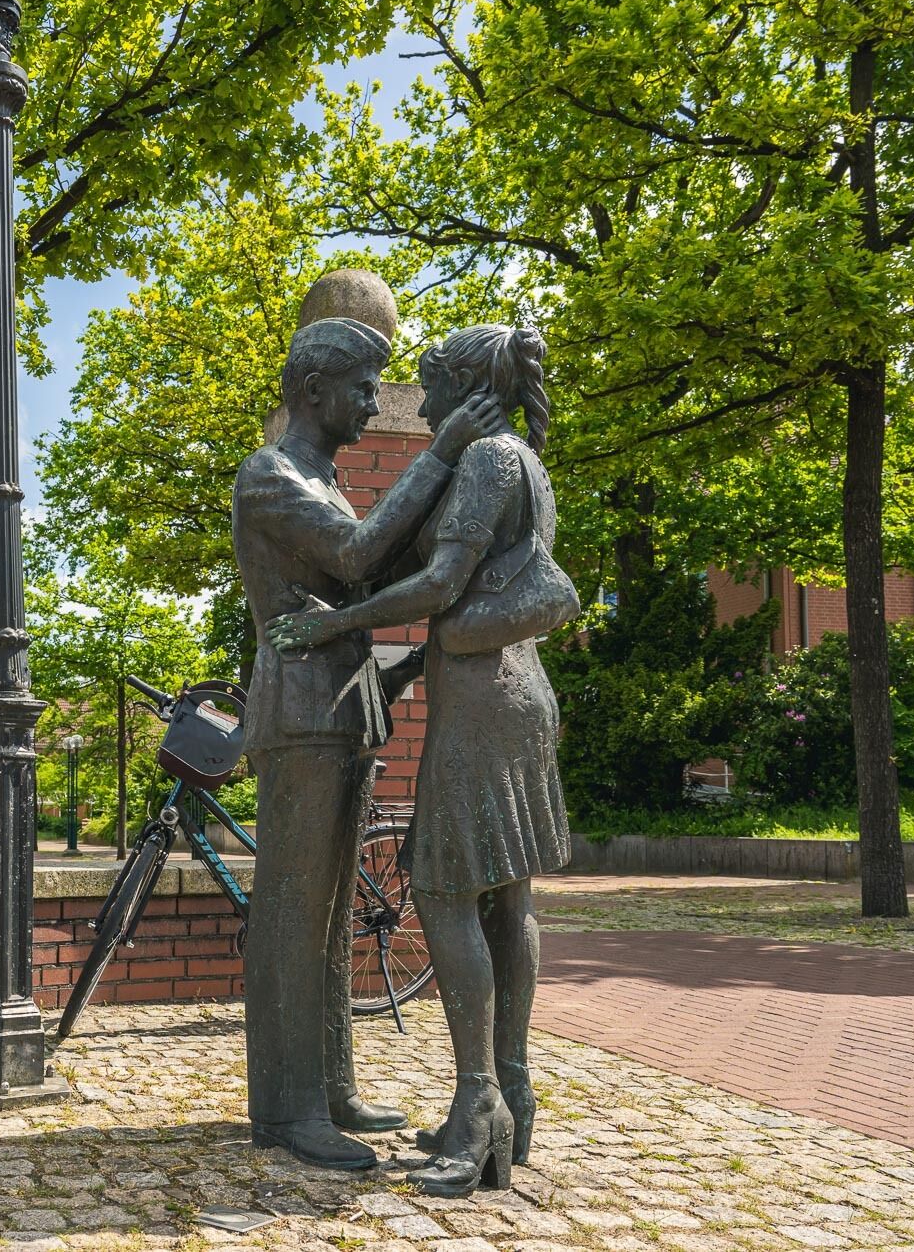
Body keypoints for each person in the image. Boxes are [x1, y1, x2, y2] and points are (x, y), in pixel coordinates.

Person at [267, 324, 572, 1195]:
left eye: (431, 384)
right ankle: (510, 1091)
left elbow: (439, 587)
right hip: (518, 694)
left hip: (483, 705)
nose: (419, 403)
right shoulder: (526, 459)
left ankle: (478, 1104)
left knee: (443, 891)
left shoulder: (485, 460)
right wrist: (404, 667)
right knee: (508, 895)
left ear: (468, 386)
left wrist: (333, 623)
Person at [231, 317, 504, 1170]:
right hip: (302, 712)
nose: (374, 402)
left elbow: (373, 565)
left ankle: (331, 1083)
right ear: (314, 391)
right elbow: (354, 556)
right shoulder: (270, 474)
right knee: (293, 910)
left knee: (330, 911)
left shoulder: (324, 478)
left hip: (344, 708)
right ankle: (288, 1106)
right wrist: (442, 449)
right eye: (361, 387)